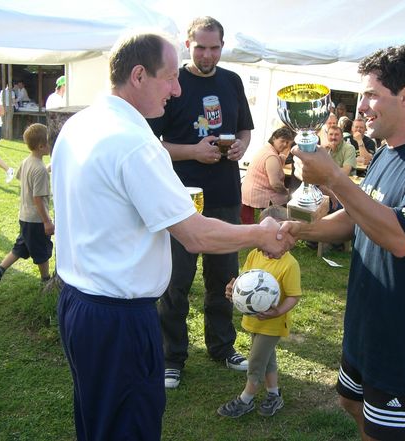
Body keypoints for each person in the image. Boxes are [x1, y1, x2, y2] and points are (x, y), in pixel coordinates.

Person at [52, 32, 291, 441]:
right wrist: (261, 233)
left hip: (78, 304)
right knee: (130, 426)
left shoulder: (80, 123)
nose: (178, 89)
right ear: (139, 75)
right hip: (118, 318)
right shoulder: (134, 142)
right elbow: (194, 236)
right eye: (170, 79)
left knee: (97, 419)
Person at [281, 45, 405, 441]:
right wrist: (301, 231)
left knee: (383, 433)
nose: (361, 106)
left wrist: (332, 177)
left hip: (404, 335)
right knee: (351, 402)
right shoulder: (384, 155)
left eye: (371, 94)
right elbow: (355, 215)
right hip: (366, 321)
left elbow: (400, 238)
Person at [146, 16, 255, 389]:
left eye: (215, 48)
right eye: (201, 47)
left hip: (225, 194)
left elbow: (245, 127)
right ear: (187, 44)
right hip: (180, 198)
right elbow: (153, 145)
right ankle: (172, 356)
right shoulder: (174, 83)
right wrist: (193, 151)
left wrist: (242, 144)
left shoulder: (232, 81)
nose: (208, 55)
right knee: (175, 280)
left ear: (223, 47)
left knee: (224, 277)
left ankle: (222, 347)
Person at [218, 205, 301, 418]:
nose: (264, 247)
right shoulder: (255, 255)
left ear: (284, 237)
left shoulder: (290, 264)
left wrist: (278, 311)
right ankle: (274, 395)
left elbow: (293, 295)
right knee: (268, 358)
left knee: (256, 361)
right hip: (255, 320)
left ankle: (246, 399)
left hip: (273, 323)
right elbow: (247, 281)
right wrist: (234, 290)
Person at [0, 123, 54, 295]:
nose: (51, 145)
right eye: (49, 142)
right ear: (41, 146)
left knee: (20, 248)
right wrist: (47, 221)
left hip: (24, 216)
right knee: (42, 251)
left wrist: (46, 168)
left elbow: (22, 176)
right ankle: (45, 280)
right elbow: (38, 197)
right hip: (37, 220)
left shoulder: (27, 162)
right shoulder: (40, 171)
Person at [241, 127, 295, 224]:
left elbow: (280, 159)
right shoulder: (271, 156)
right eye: (282, 141)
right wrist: (288, 193)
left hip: (249, 195)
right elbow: (275, 184)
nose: (285, 145)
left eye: (287, 143)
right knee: (288, 203)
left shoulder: (266, 149)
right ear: (274, 138)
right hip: (260, 198)